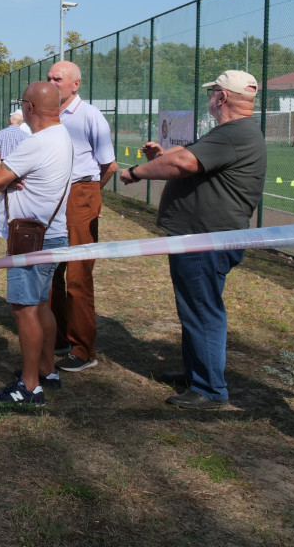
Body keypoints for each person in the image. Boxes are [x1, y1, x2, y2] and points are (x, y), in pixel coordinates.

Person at [119, 70, 266, 410]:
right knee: (194, 307)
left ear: (222, 97)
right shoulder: (232, 133)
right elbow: (195, 166)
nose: (210, 98)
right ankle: (197, 372)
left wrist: (135, 173)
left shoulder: (234, 133)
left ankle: (210, 390)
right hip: (200, 236)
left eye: (213, 92)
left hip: (206, 238)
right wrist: (160, 160)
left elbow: (185, 162)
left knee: (202, 310)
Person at [0, 81, 73, 405]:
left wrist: (7, 175)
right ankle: (46, 369)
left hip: (29, 238)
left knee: (24, 309)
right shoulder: (62, 135)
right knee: (40, 305)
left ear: (29, 108)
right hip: (53, 232)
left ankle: (29, 385)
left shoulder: (35, 142)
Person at [46, 60, 118, 373]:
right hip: (52, 197)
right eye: (48, 78)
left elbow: (109, 166)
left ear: (75, 84)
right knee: (50, 270)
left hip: (80, 194)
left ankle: (83, 349)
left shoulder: (90, 116)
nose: (51, 83)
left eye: (57, 78)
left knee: (77, 274)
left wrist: (88, 193)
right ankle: (59, 337)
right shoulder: (47, 115)